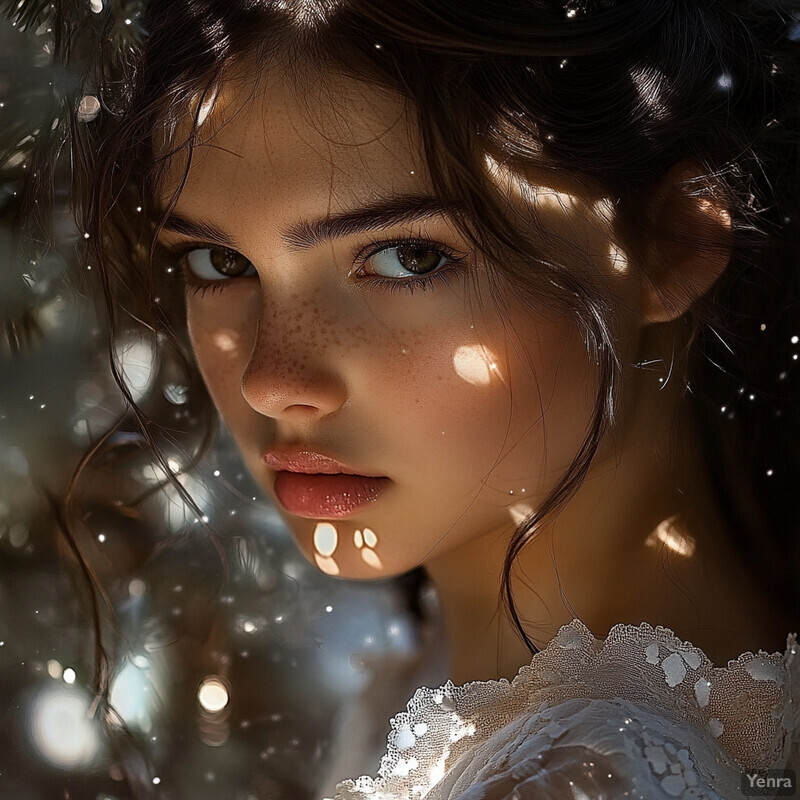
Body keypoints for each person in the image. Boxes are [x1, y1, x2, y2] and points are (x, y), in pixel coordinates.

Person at [22, 0, 800, 796]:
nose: (272, 378)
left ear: (674, 240)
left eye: (410, 256)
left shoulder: (582, 778)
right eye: (220, 263)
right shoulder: (491, 701)